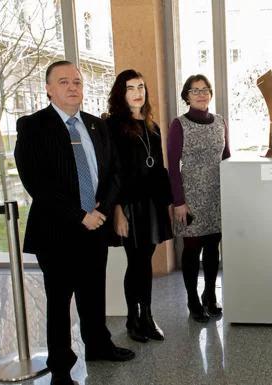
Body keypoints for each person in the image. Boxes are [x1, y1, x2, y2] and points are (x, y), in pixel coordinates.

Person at [14, 61, 134, 385]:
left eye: (77, 82)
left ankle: (98, 345)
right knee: (59, 302)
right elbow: (36, 184)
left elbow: (113, 174)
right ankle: (62, 368)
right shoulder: (33, 127)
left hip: (96, 227)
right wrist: (80, 215)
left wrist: (102, 211)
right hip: (57, 232)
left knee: (93, 294)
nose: (72, 87)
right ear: (49, 89)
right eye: (64, 82)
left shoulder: (97, 126)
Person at [106, 69, 173, 343]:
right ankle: (133, 319)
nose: (138, 92)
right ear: (122, 94)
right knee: (135, 262)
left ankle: (147, 315)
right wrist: (118, 209)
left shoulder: (152, 127)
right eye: (131, 87)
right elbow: (112, 171)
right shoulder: (113, 126)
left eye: (141, 87)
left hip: (152, 204)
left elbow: (159, 169)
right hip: (129, 205)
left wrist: (168, 203)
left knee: (145, 261)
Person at [167, 74, 230, 323]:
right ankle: (193, 300)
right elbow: (172, 166)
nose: (201, 94)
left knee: (213, 247)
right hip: (190, 196)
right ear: (186, 96)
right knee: (192, 249)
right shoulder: (179, 125)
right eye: (195, 91)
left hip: (217, 195)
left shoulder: (221, 122)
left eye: (205, 89)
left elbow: (227, 157)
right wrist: (178, 201)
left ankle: (210, 296)